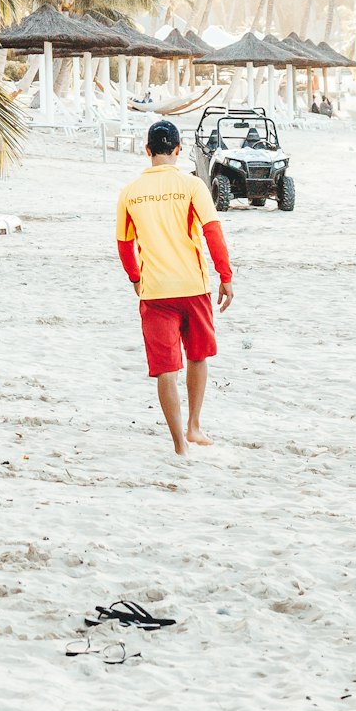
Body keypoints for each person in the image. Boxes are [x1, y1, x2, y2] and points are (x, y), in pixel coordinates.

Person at [115, 117, 234, 458]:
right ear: (179, 150)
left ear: (148, 150)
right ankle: (194, 426)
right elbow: (212, 232)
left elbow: (125, 245)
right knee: (197, 356)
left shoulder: (130, 192)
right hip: (193, 286)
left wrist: (135, 279)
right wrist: (225, 276)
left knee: (166, 368)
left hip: (155, 292)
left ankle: (179, 444)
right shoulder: (193, 186)